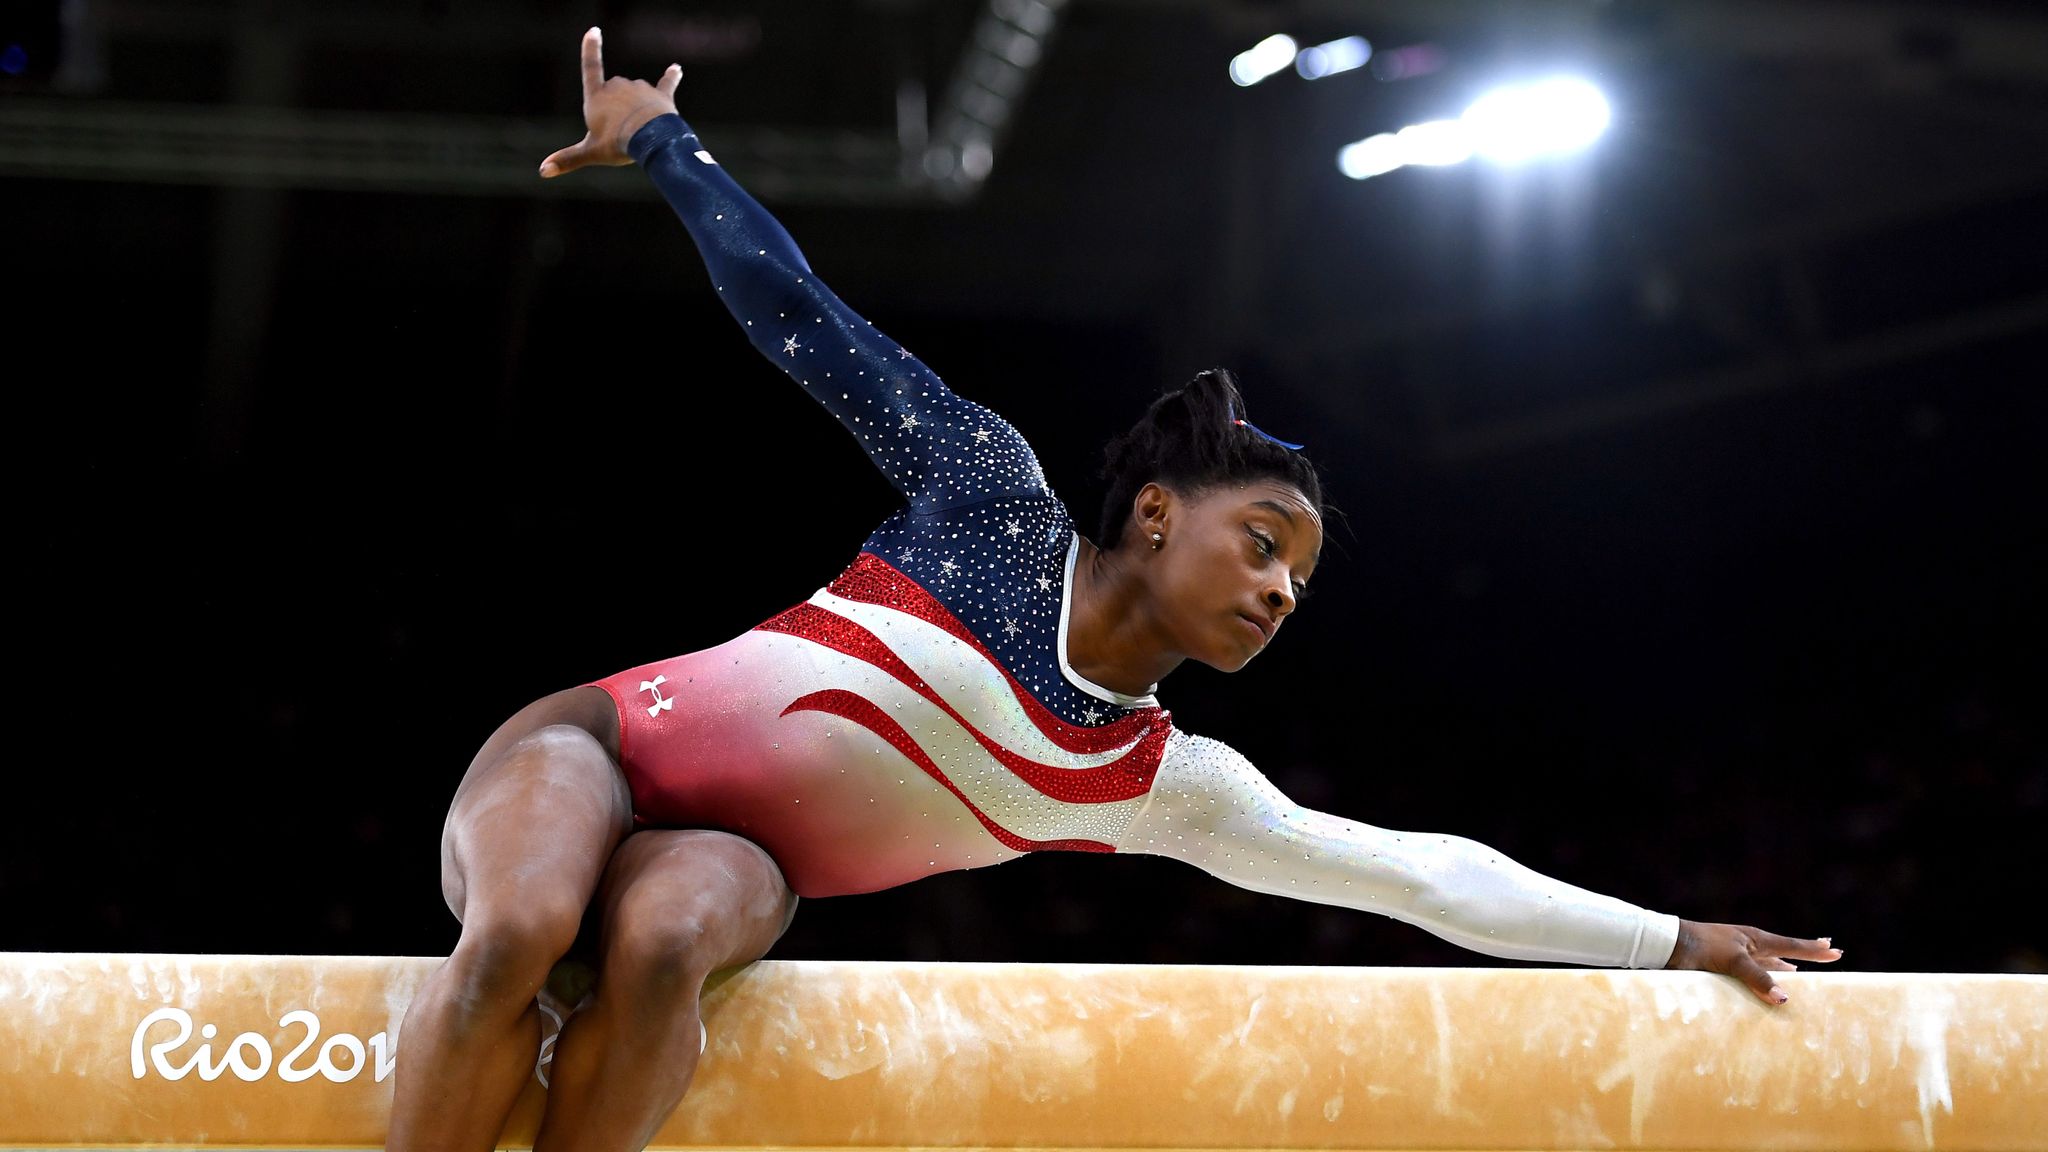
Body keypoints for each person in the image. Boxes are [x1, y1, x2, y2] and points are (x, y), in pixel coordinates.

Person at [385, 28, 1844, 1152]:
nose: (1281, 593)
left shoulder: (1155, 780)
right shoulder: (987, 496)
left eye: (1304, 583)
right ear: (1156, 510)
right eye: (1265, 542)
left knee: (663, 944)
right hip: (600, 747)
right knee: (519, 932)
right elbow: (802, 323)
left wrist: (1674, 937)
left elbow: (1416, 873)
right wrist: (666, 141)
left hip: (740, 860)